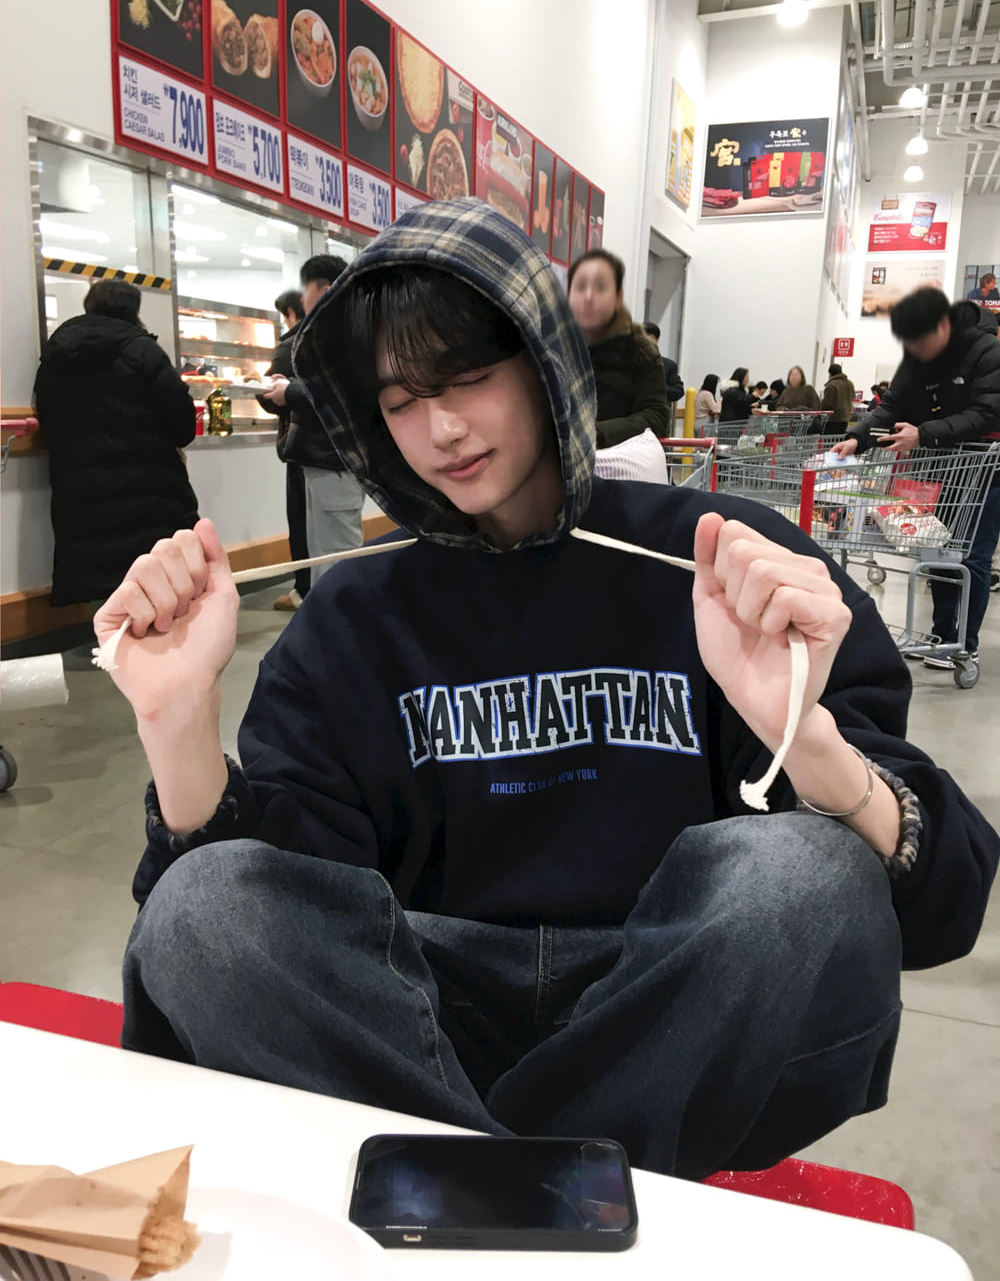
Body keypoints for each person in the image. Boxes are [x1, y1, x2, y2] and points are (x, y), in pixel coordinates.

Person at [98, 200, 997, 1185]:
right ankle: (559, 1192)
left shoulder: (720, 562)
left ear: (546, 361)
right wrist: (176, 722)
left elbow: (939, 903)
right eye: (400, 399)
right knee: (200, 907)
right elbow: (276, 893)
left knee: (806, 874)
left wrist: (803, 734)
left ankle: (472, 1190)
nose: (441, 429)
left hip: (667, 1004)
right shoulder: (350, 615)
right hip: (421, 1012)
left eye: (468, 377)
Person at [832, 288, 1000, 670]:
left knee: (973, 557)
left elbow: (987, 413)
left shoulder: (987, 352)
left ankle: (966, 644)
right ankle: (942, 636)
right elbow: (891, 406)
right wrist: (857, 439)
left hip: (988, 472)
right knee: (937, 550)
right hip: (941, 469)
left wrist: (923, 434)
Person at [33, 278, 198, 607]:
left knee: (104, 576)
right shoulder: (143, 351)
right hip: (148, 486)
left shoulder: (56, 353)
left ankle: (108, 633)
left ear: (89, 305)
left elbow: (46, 416)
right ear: (134, 309)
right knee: (152, 576)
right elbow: (182, 424)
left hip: (79, 485)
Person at [262, 256, 365, 580]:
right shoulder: (341, 328)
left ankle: (343, 612)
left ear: (325, 289)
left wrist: (290, 391)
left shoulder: (343, 332)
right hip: (327, 458)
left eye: (306, 289)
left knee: (337, 556)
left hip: (335, 457)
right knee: (325, 553)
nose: (303, 298)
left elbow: (339, 392)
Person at [568, 249, 671, 447]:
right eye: (580, 287)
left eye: (600, 287)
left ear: (617, 297)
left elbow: (656, 416)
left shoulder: (641, 352)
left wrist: (597, 434)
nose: (588, 297)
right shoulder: (554, 348)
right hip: (560, 460)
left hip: (617, 458)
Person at [257, 290, 310, 612]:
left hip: (306, 449)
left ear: (290, 312)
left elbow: (272, 397)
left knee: (305, 526)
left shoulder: (293, 343)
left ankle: (305, 591)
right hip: (334, 454)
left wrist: (271, 391)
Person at [642, 321, 686, 405]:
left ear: (657, 340)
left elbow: (678, 391)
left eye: (650, 339)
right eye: (642, 339)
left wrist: (656, 388)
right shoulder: (629, 363)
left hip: (657, 410)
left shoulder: (668, 365)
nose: (646, 343)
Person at [821, 363, 856, 434]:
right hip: (845, 417)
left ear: (830, 373)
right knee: (839, 438)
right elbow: (853, 397)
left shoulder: (831, 385)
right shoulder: (850, 384)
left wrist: (819, 409)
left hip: (833, 418)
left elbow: (827, 403)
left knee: (829, 438)